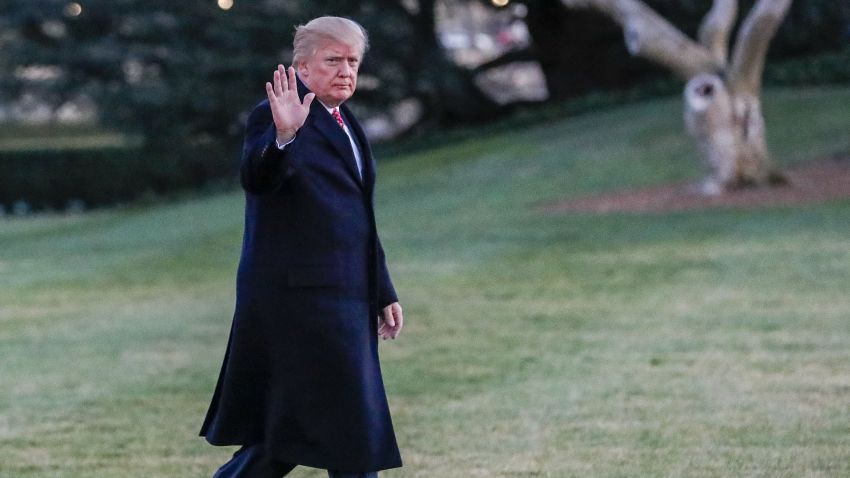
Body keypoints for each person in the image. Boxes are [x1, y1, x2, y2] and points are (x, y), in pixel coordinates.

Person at [199, 16, 404, 478]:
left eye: (353, 61)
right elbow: (258, 178)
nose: (346, 70)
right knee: (340, 428)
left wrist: (382, 290)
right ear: (302, 68)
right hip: (298, 303)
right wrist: (284, 137)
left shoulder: (345, 120)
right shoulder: (274, 117)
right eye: (333, 60)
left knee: (302, 431)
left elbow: (356, 219)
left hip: (344, 299)